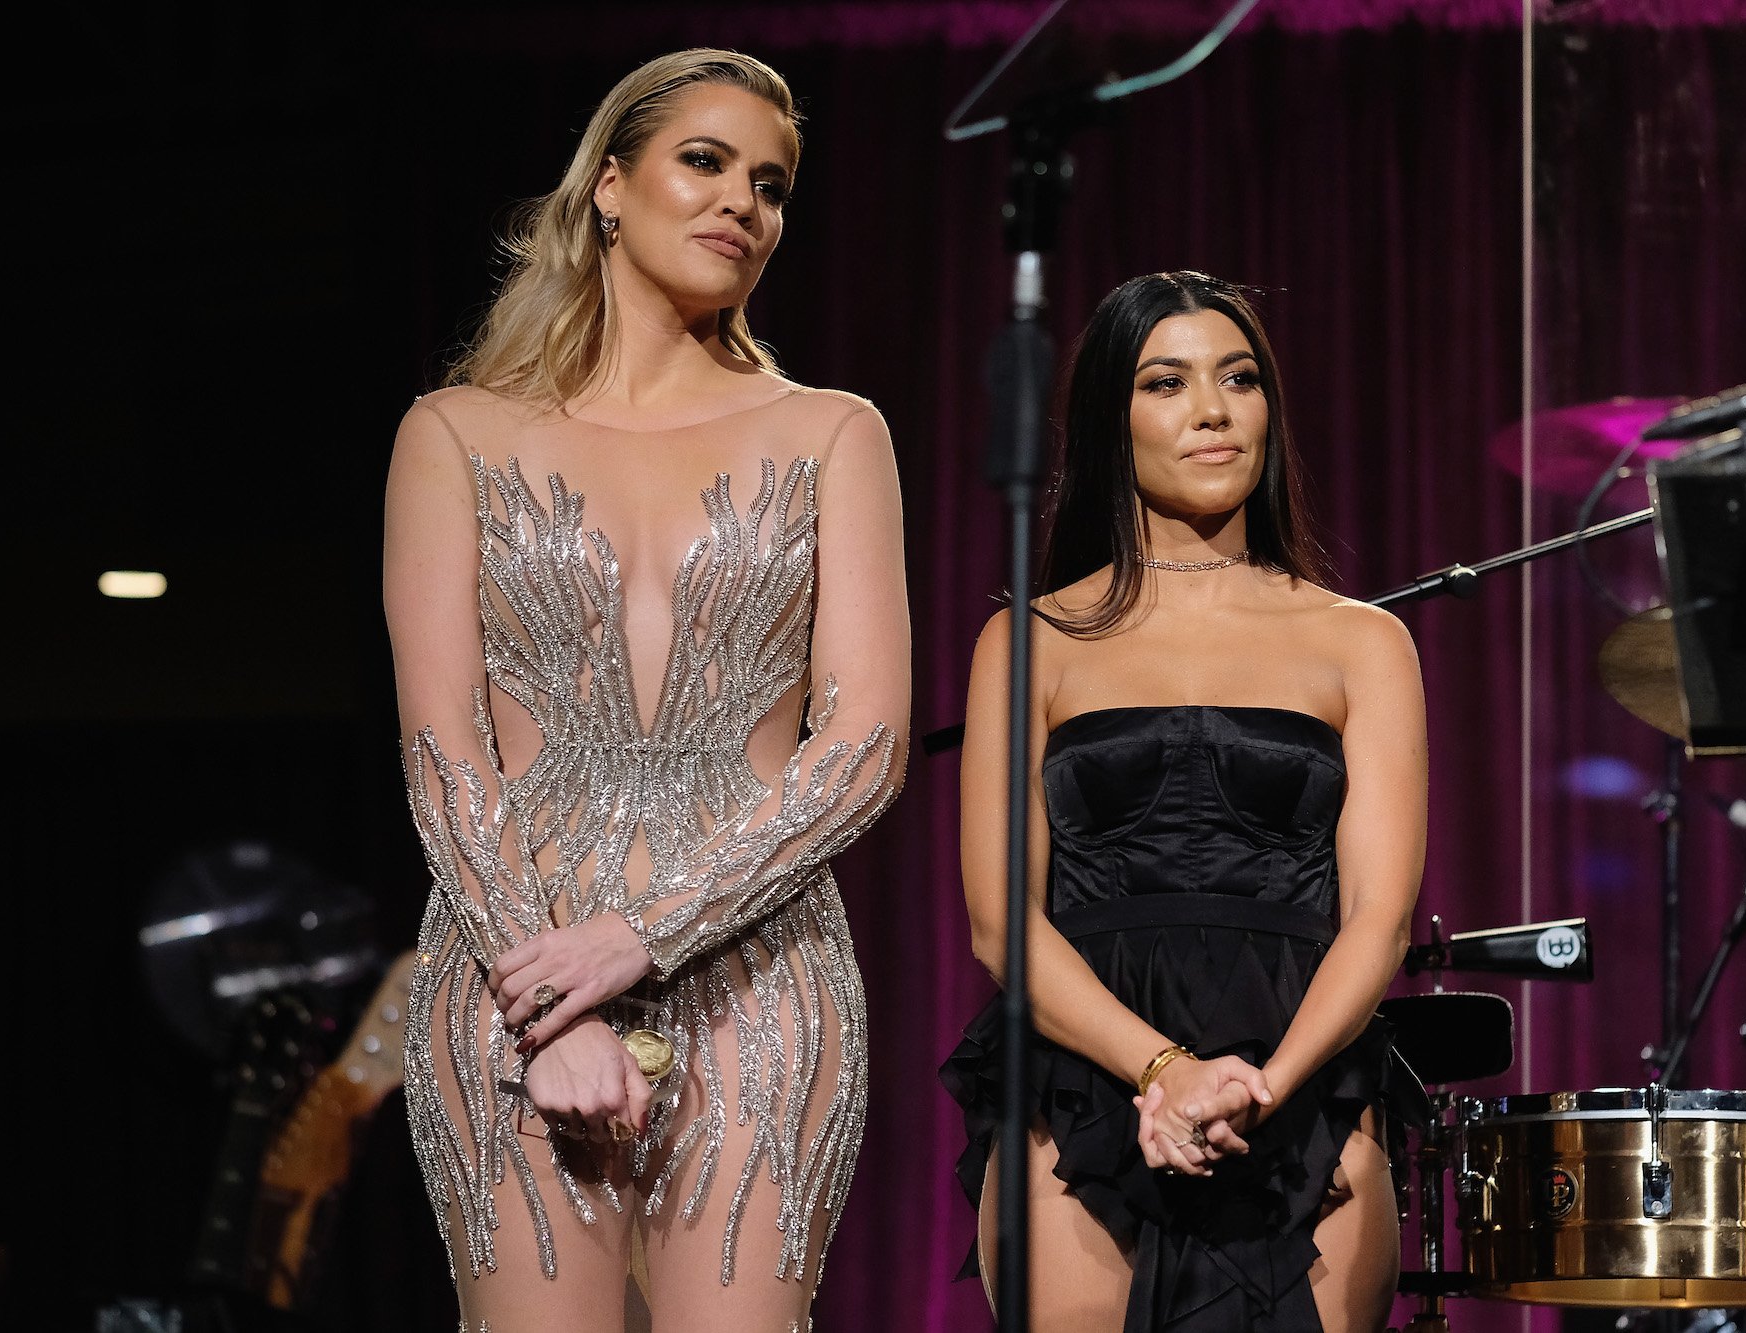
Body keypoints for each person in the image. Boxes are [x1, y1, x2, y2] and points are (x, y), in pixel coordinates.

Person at [383, 49, 910, 1333]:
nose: (744, 202)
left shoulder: (834, 432)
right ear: (609, 188)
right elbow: (443, 750)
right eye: (706, 162)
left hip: (759, 971)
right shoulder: (453, 431)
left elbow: (866, 742)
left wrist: (638, 938)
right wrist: (549, 1002)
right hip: (510, 956)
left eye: (772, 185)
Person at [941, 272, 1427, 1332]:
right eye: (1167, 381)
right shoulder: (1028, 640)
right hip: (1084, 1072)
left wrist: (1260, 1081)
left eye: (1238, 378)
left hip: (1301, 1076)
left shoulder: (1363, 641)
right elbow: (999, 923)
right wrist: (1160, 1070)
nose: (1212, 409)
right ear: (1111, 421)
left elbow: (1378, 917)